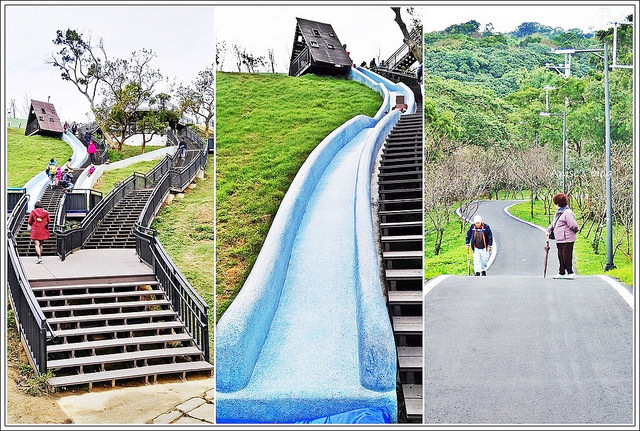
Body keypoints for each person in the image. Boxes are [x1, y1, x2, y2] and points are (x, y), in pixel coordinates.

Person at [546, 193, 579, 279]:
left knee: (566, 256)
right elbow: (554, 223)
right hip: (559, 238)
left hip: (567, 239)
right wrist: (548, 230)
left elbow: (573, 225)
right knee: (560, 256)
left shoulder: (567, 212)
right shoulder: (558, 212)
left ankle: (570, 272)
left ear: (558, 203)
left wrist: (575, 231)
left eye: (555, 203)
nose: (554, 205)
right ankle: (561, 273)